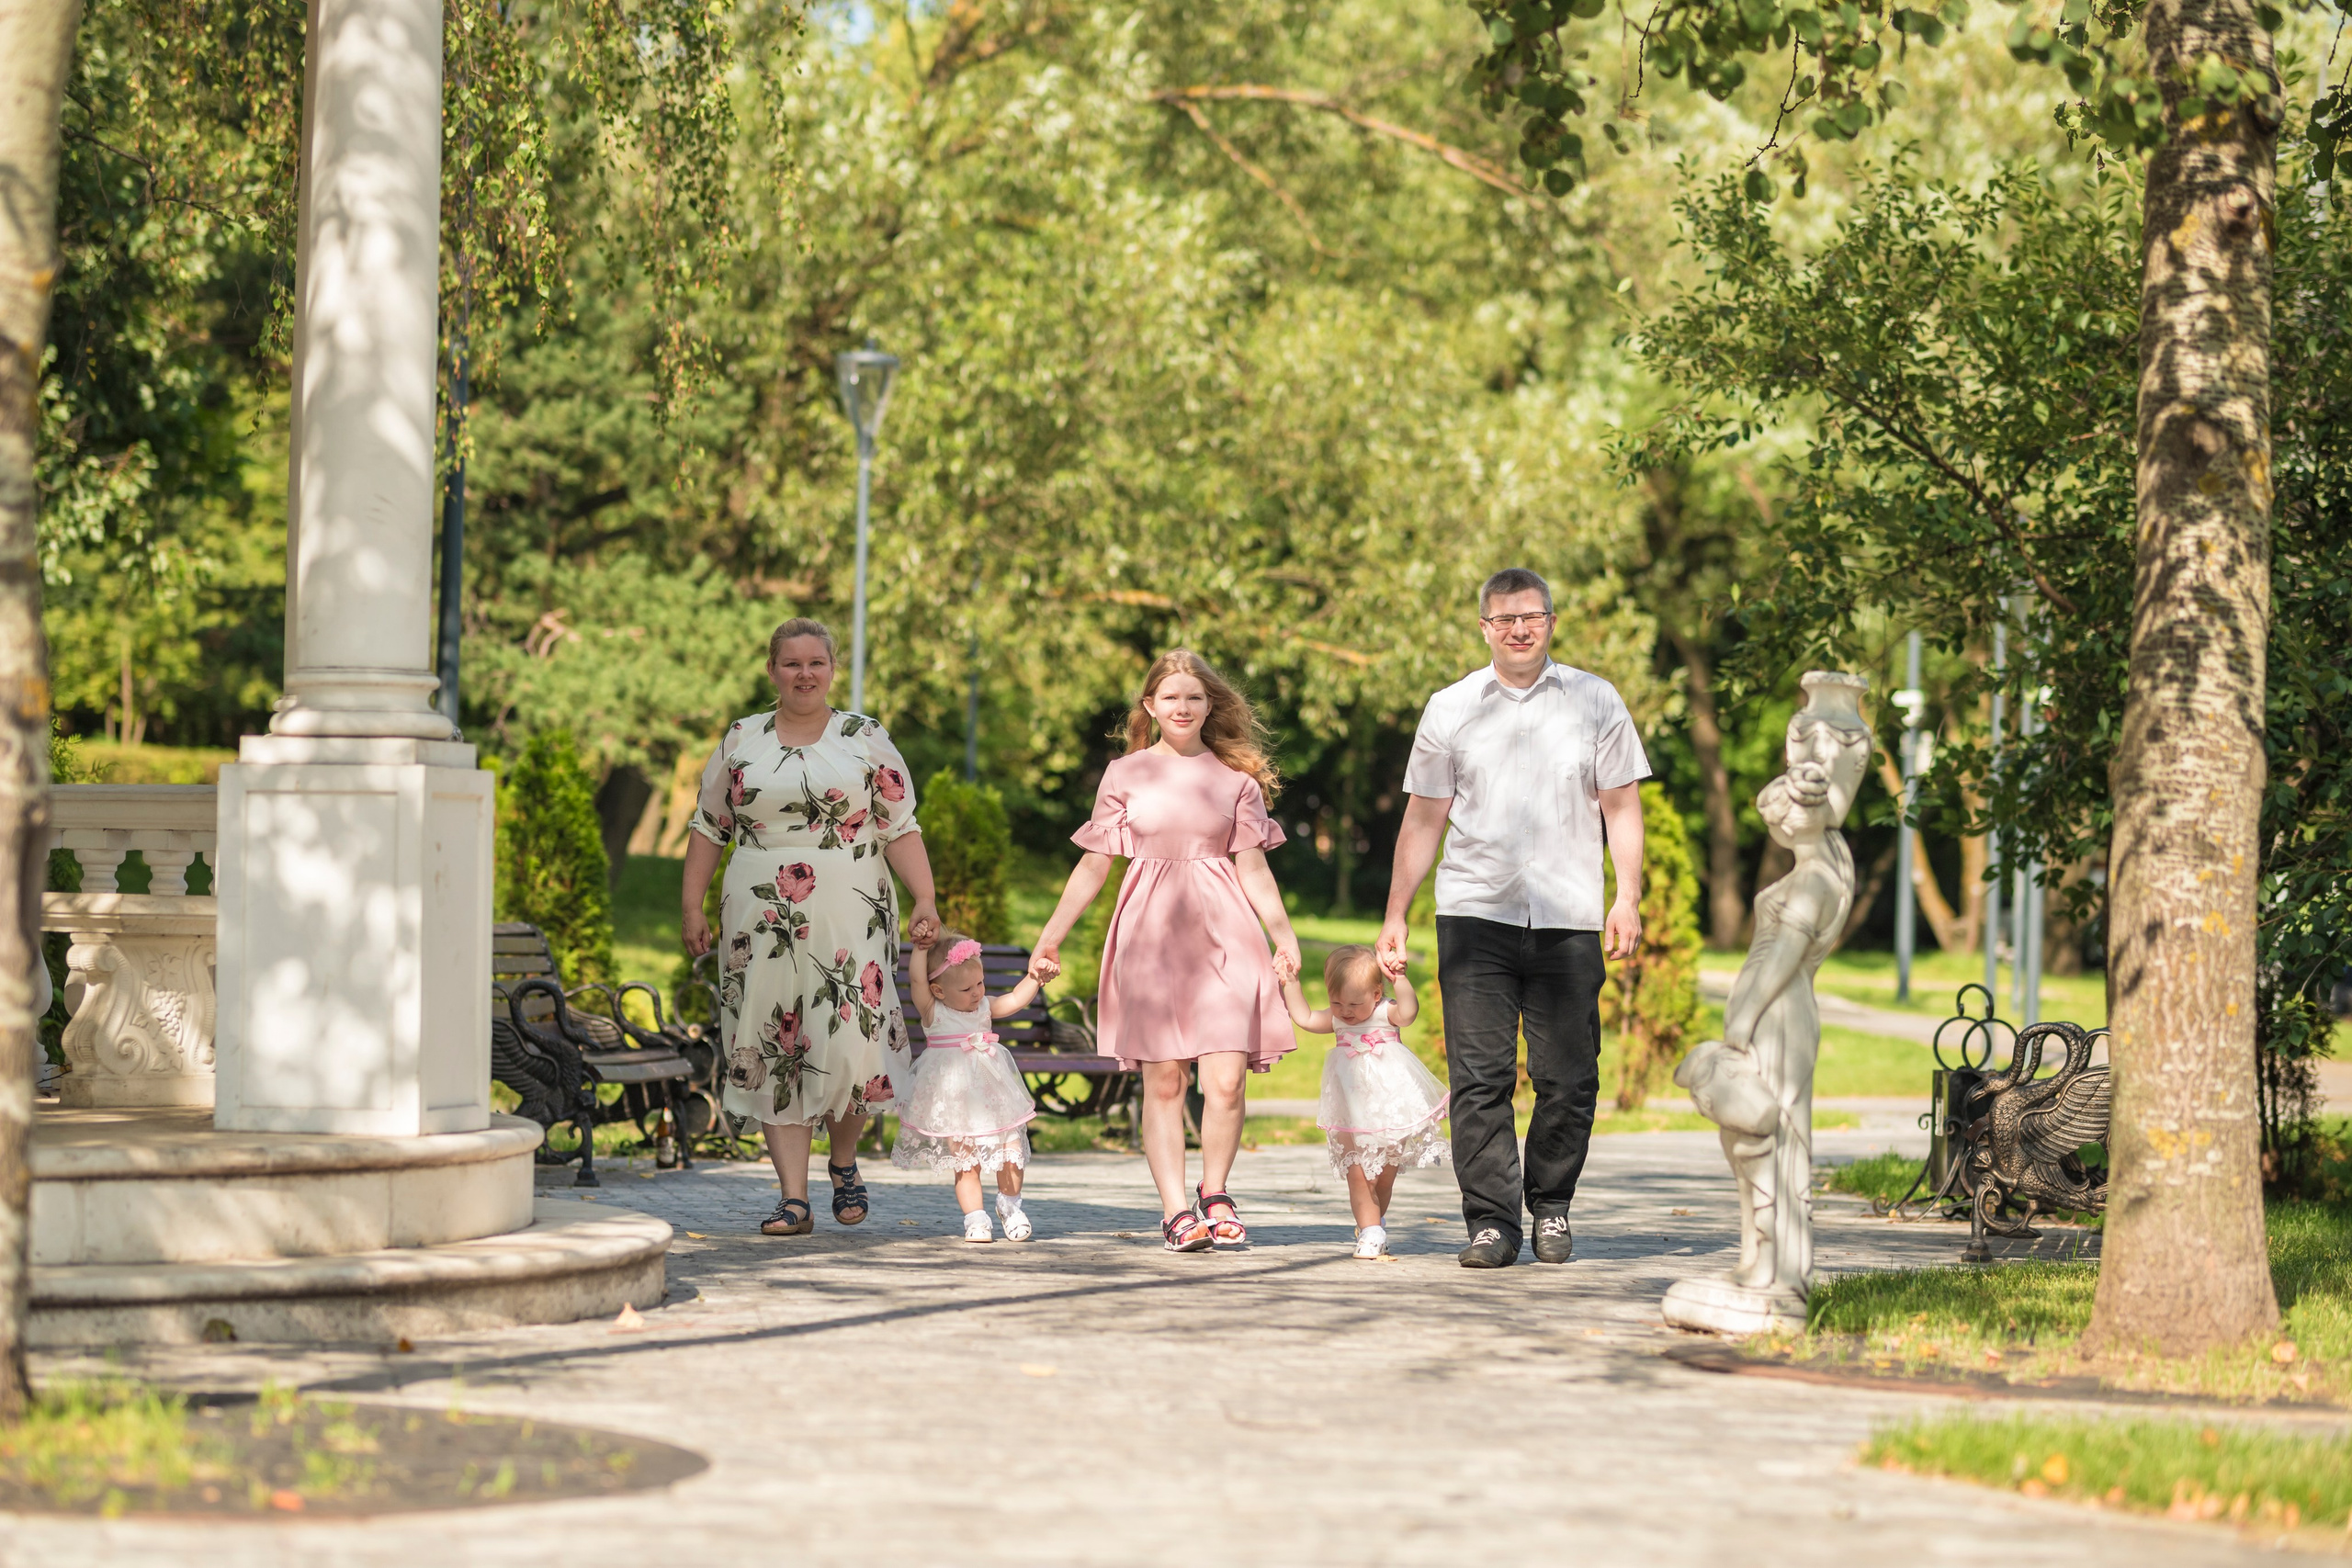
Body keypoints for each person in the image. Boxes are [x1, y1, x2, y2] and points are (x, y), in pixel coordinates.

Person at [1376, 569, 1649, 1269]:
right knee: (1480, 1076)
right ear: (1485, 628)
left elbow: (1620, 805)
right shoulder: (1451, 706)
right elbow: (1423, 817)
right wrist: (1396, 913)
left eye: (1532, 616)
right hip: (1474, 914)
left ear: (1552, 620)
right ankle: (1493, 1222)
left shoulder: (1596, 700)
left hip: (1568, 916)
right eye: (1505, 619)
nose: (1520, 629)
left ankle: (1551, 1205)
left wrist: (1626, 896)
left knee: (1569, 1075)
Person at [1029, 649, 1301, 1253]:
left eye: (1195, 696)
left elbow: (1254, 869)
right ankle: (1177, 1209)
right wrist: (1052, 933)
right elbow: (1095, 862)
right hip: (1149, 934)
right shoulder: (1124, 774)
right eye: (1170, 696)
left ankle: (1217, 1189)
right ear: (1150, 705)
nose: (1182, 706)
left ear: (1210, 705)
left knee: (1226, 1079)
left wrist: (1284, 936)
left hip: (1225, 927)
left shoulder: (1236, 782)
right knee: (1166, 1080)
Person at [682, 617, 942, 1237]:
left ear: (831, 669)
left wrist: (926, 896)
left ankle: (845, 1160)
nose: (804, 673)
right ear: (772, 670)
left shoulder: (863, 736)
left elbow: (900, 824)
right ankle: (792, 1198)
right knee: (774, 1041)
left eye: (815, 663)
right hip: (756, 914)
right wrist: (692, 905)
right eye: (791, 663)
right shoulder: (742, 737)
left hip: (851, 910)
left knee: (851, 1044)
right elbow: (709, 824)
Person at [1280, 944, 1447, 1259]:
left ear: (1376, 993)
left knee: (1384, 1176)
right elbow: (1302, 1017)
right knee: (1357, 1174)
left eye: (1355, 1003)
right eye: (1336, 1002)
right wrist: (1291, 983)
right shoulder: (1337, 1019)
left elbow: (1409, 1013)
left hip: (1389, 1110)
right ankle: (1370, 1230)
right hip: (1350, 1110)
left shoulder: (1386, 1012)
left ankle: (1375, 1222)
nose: (1346, 1011)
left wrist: (1400, 979)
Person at [894, 931, 1043, 1243]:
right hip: (955, 1102)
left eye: (980, 983)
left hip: (994, 1095)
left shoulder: (985, 1007)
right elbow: (916, 982)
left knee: (1010, 1154)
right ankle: (975, 1218)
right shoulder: (934, 1011)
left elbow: (1014, 1000)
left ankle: (1011, 1205)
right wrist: (921, 949)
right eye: (966, 988)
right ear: (939, 990)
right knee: (966, 1162)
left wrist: (1035, 978)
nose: (977, 993)